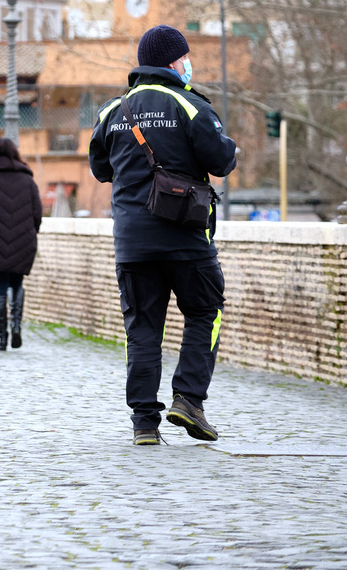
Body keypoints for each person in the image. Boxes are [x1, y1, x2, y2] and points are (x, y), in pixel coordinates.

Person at [89, 24, 237, 446]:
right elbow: (221, 160)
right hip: (186, 238)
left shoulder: (112, 111)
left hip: (132, 242)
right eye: (185, 58)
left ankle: (144, 423)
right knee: (205, 311)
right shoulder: (190, 105)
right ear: (174, 62)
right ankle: (188, 399)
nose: (188, 64)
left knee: (142, 328)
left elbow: (100, 169)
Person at [0, 137, 42, 351]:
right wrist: (29, 234)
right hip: (24, 240)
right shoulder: (28, 180)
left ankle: (2, 338)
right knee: (17, 283)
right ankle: (16, 326)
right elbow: (37, 214)